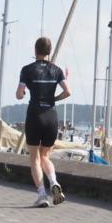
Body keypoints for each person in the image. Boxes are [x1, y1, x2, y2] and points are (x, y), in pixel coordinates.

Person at [16, 37, 71, 207]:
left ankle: (42, 195)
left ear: (35, 50)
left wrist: (23, 94)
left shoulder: (27, 70)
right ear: (50, 51)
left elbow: (19, 94)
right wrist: (54, 98)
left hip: (35, 115)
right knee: (46, 156)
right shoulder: (57, 70)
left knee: (34, 159)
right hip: (51, 116)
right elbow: (68, 92)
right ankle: (54, 182)